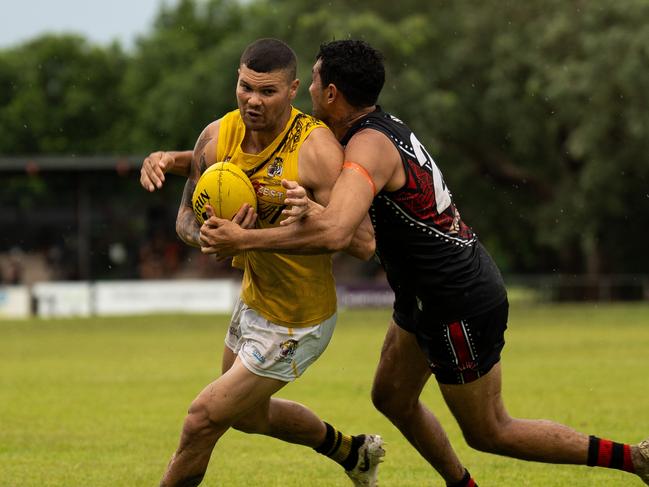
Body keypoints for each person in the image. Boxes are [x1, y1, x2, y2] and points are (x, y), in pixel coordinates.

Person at [189, 40, 649, 486]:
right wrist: (174, 160)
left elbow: (340, 234)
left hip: (456, 300)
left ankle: (636, 459)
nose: (305, 92)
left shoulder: (366, 149)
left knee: (490, 431)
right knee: (390, 397)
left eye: (310, 81)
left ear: (331, 93)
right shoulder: (372, 130)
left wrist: (246, 238)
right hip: (424, 294)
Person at [150, 38, 384, 487]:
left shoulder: (315, 148)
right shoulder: (218, 135)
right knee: (247, 417)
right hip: (255, 300)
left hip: (300, 318)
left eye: (268, 91)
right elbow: (184, 217)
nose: (253, 101)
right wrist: (211, 238)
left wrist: (278, 226)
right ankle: (352, 453)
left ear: (293, 89)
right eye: (245, 87)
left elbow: (363, 242)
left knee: (202, 419)